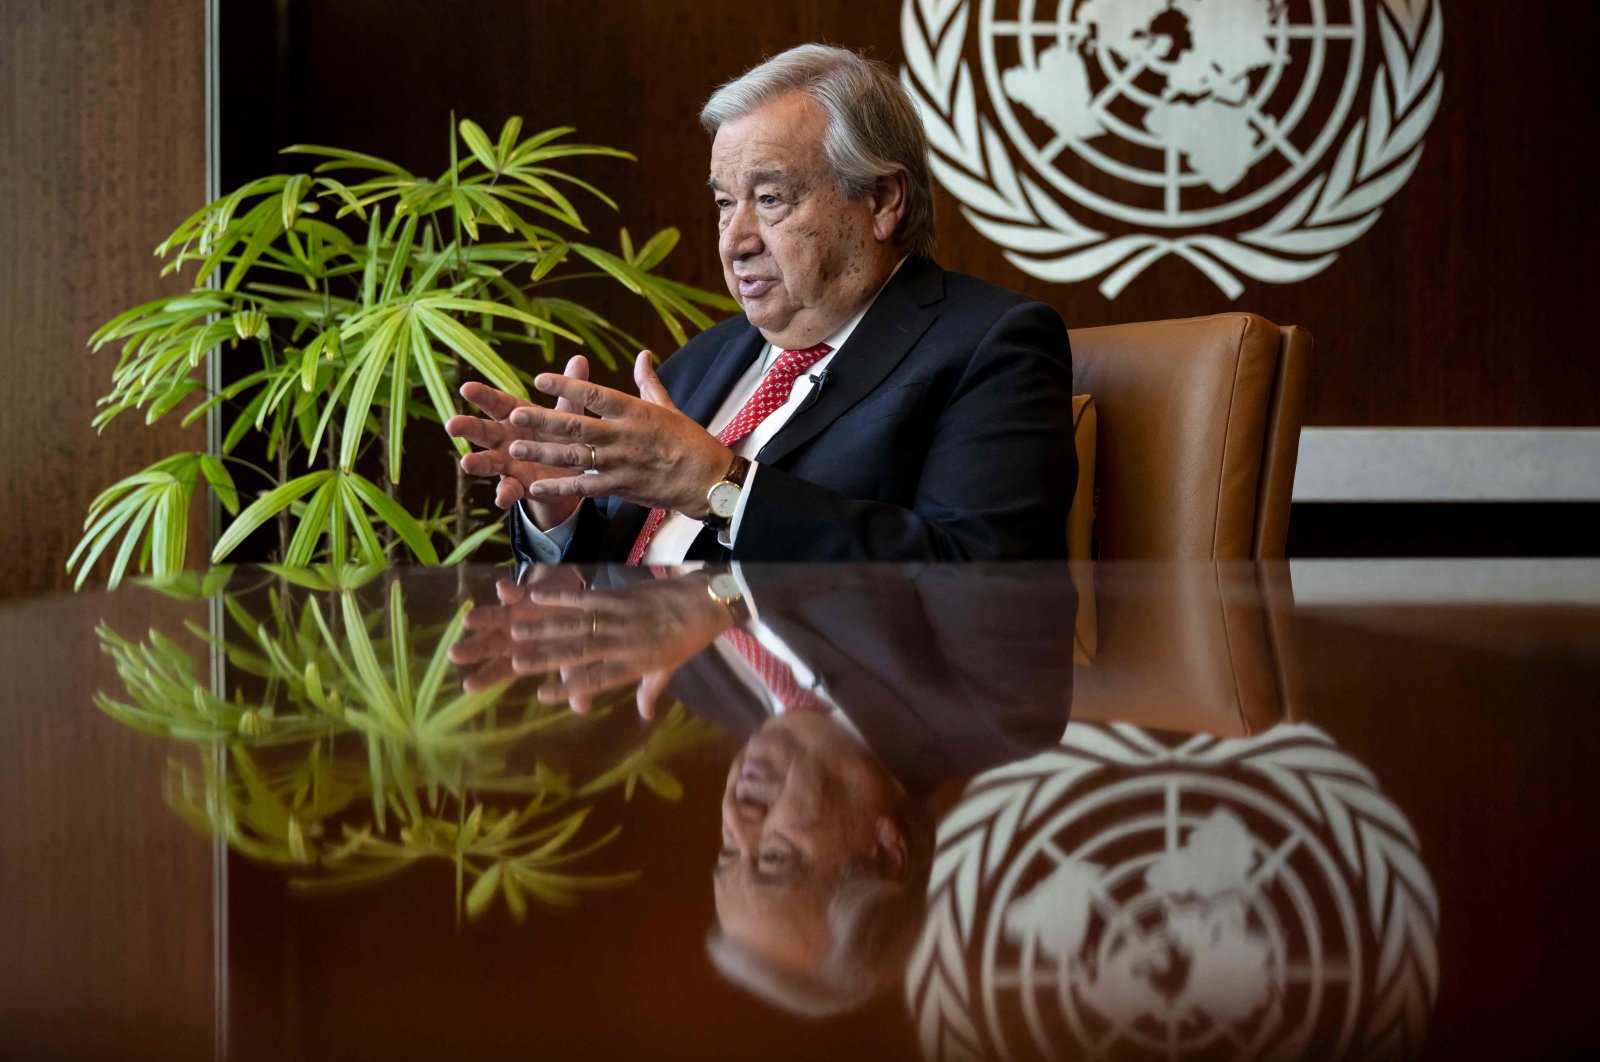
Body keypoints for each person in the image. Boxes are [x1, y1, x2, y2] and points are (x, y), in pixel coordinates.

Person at [446, 44, 1077, 564]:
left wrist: (720, 490)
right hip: (643, 702)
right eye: (725, 203)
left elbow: (981, 579)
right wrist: (558, 517)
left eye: (770, 199)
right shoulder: (704, 361)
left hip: (831, 710)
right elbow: (624, 564)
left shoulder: (989, 347)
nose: (735, 241)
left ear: (883, 201)